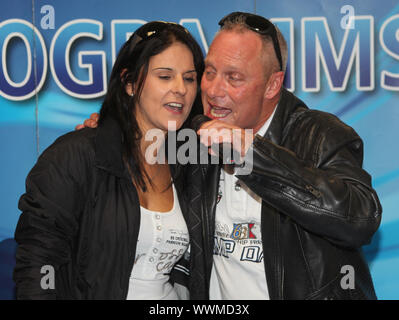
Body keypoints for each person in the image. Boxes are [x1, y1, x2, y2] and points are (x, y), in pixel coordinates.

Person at [79, 12, 382, 300]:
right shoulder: (195, 135)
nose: (213, 90)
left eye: (234, 78)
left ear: (273, 85)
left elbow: (360, 218)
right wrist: (110, 131)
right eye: (209, 72)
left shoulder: (320, 134)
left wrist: (253, 156)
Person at [13, 21, 204, 299]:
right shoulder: (76, 155)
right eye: (164, 76)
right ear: (129, 83)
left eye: (189, 78)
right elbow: (38, 260)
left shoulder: (189, 162)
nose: (181, 89)